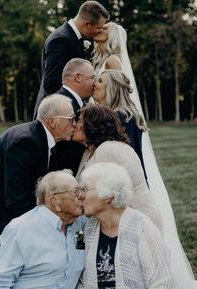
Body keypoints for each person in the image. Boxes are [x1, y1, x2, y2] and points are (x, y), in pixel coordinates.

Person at [92, 21, 197, 287]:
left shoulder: (113, 64)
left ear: (113, 36)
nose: (97, 31)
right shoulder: (103, 61)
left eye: (103, 29)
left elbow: (115, 93)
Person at [0, 94, 76, 245]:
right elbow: (16, 199)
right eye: (70, 119)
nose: (74, 124)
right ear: (52, 122)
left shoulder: (44, 138)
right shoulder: (25, 141)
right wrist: (45, 228)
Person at [0, 170, 86, 289]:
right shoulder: (21, 230)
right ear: (55, 201)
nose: (82, 196)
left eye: (81, 190)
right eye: (75, 192)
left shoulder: (80, 224)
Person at [78, 162, 172, 289]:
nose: (80, 195)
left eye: (85, 189)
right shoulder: (88, 228)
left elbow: (161, 282)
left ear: (108, 196)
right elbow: (84, 278)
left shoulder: (142, 227)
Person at [73, 104, 163, 231]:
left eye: (80, 121)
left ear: (93, 124)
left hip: (138, 223)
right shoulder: (91, 152)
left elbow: (102, 194)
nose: (75, 125)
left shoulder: (108, 151)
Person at [33, 0, 109, 118]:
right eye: (98, 27)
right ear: (87, 24)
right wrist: (74, 104)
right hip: (54, 115)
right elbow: (51, 83)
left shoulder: (72, 37)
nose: (99, 31)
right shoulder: (60, 40)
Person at [93, 69, 148, 180]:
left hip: (126, 182)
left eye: (100, 81)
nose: (94, 84)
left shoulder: (121, 116)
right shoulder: (124, 114)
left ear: (112, 88)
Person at [56, 58, 96, 174]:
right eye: (92, 78)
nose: (95, 83)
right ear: (78, 77)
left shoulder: (76, 102)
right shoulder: (61, 105)